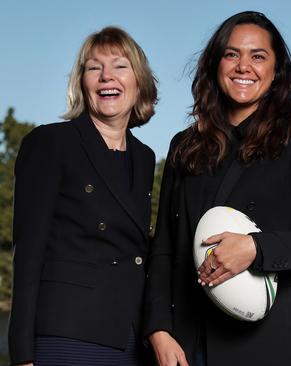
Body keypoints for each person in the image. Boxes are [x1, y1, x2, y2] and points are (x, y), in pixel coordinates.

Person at [144, 11, 291, 366]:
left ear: (276, 70)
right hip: (189, 344)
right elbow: (165, 249)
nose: (243, 66)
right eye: (232, 54)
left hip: (275, 342)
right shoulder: (184, 145)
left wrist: (253, 248)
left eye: (258, 56)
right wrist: (158, 329)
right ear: (216, 64)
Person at [8, 26, 158, 366]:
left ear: (138, 82)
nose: (107, 76)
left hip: (131, 337)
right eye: (94, 67)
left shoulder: (145, 157)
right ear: (82, 82)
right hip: (67, 333)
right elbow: (28, 253)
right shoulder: (50, 143)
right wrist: (22, 354)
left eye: (120, 66)